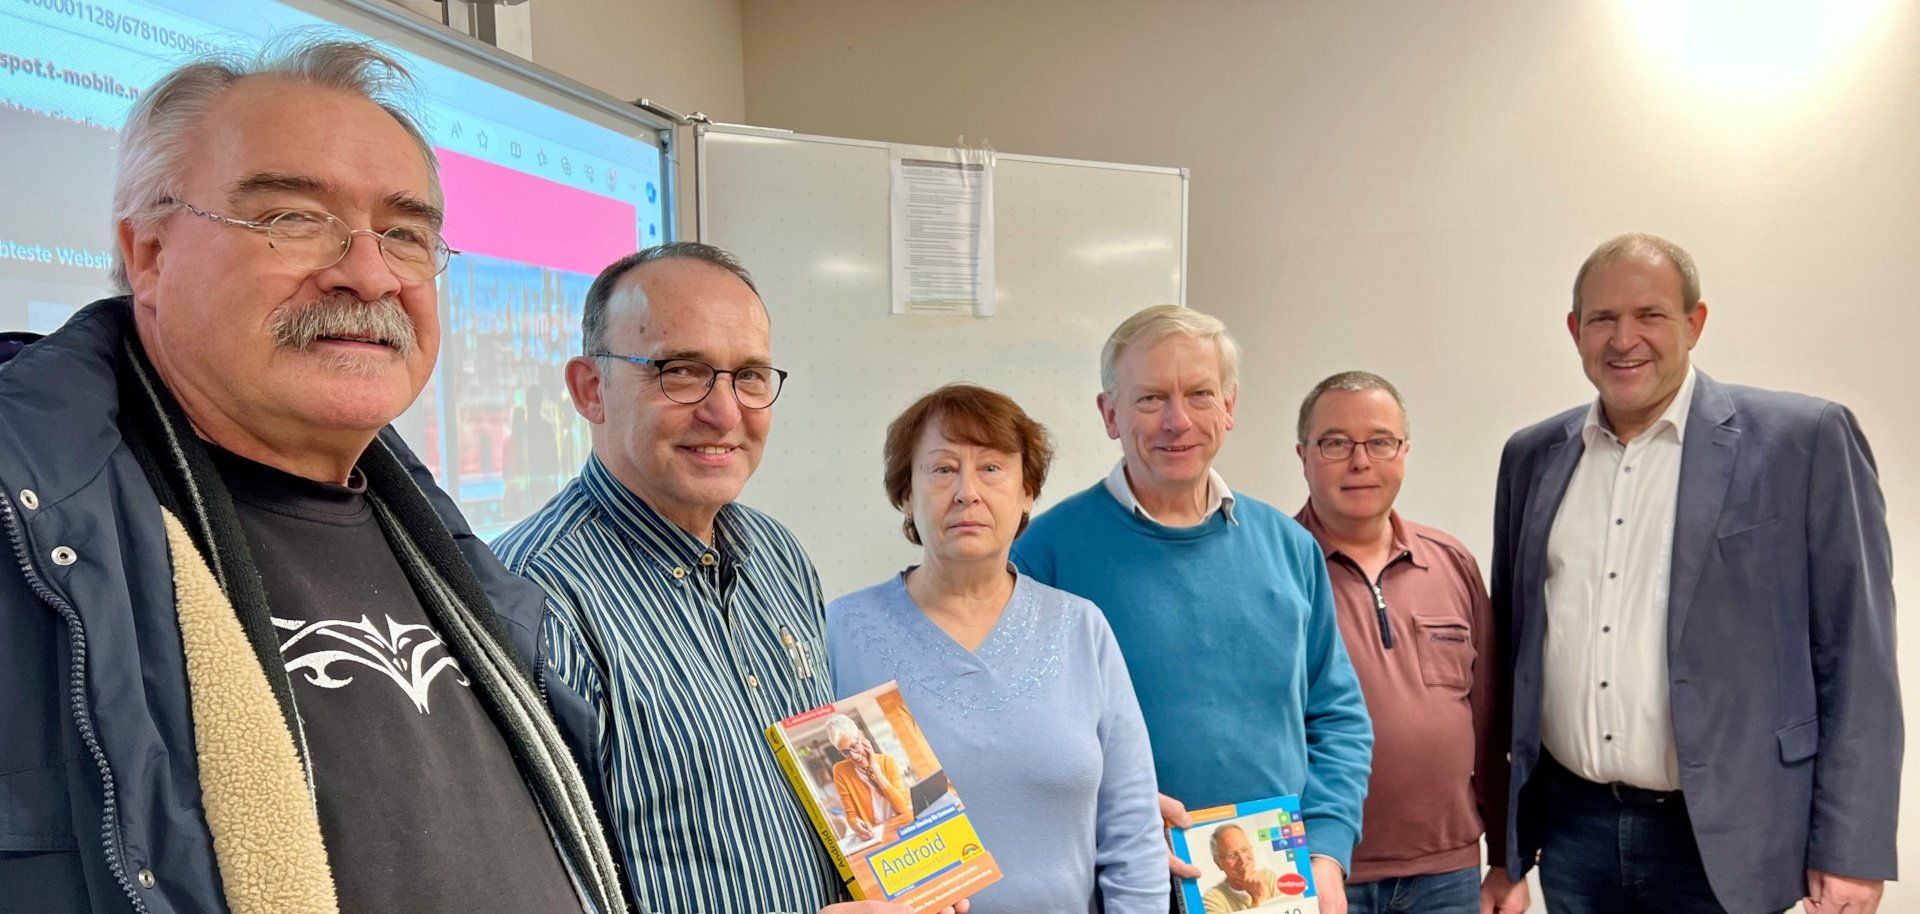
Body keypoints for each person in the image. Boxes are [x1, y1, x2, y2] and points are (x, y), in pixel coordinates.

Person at [0, 38, 623, 914]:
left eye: (405, 234)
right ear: (147, 254)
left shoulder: (460, 563)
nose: (368, 273)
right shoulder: (30, 536)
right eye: (293, 217)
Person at [494, 243, 965, 914]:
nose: (725, 412)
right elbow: (527, 894)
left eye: (749, 376)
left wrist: (903, 882)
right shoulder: (532, 600)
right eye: (681, 372)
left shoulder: (779, 555)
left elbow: (826, 791)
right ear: (590, 389)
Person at [1491, 233, 1900, 914]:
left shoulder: (1804, 441)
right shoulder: (1532, 456)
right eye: (1602, 319)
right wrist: (1508, 839)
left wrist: (1850, 847)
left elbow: (1859, 654)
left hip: (1732, 838)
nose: (1625, 339)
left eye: (1650, 315)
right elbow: (1517, 651)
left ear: (1694, 323)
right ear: (1574, 331)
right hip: (1573, 836)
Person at [1011, 305, 1372, 914]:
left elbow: (1336, 717)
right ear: (1110, 414)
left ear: (1228, 407)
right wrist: (1111, 806)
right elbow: (1015, 733)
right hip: (1116, 886)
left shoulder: (1289, 548)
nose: (1177, 421)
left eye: (1199, 394)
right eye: (1151, 398)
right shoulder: (1044, 554)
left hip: (1274, 889)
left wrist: (1328, 853)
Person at [828, 383, 1167, 913]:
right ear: (905, 494)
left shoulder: (1082, 628)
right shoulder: (839, 631)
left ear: (1027, 492)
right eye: (941, 469)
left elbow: (1132, 830)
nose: (967, 491)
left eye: (992, 468)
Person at [1292, 371, 1525, 914]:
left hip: (1448, 875)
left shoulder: (1451, 562)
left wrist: (1504, 859)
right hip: (1321, 870)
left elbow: (1490, 722)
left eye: (1380, 442)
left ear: (1404, 450)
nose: (1360, 461)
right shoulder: (1273, 567)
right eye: (1335, 443)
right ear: (1303, 455)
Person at [824, 715, 911, 841]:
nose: (853, 756)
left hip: (902, 824)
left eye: (854, 746)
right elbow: (851, 814)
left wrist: (876, 772)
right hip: (876, 834)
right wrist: (856, 824)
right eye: (845, 752)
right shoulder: (840, 770)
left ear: (862, 737)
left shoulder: (887, 761)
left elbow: (903, 808)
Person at [1200, 825, 1280, 914]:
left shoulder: (1268, 877)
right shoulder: (1213, 898)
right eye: (1232, 855)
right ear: (1218, 863)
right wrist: (1258, 898)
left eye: (1245, 849)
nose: (1243, 860)